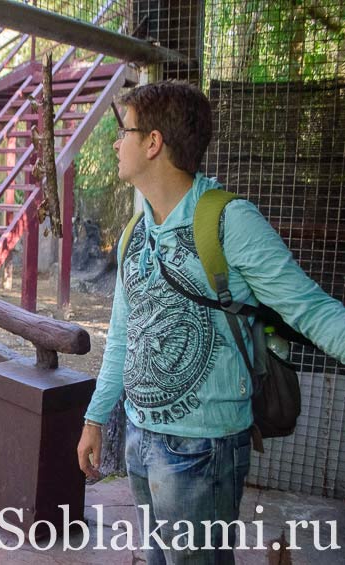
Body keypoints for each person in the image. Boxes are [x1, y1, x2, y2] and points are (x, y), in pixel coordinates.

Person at [76, 81, 345, 564]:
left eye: (124, 132)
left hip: (202, 449)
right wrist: (97, 417)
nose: (117, 143)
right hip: (141, 435)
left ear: (154, 142)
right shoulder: (136, 232)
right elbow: (122, 335)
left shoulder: (229, 220)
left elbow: (311, 308)